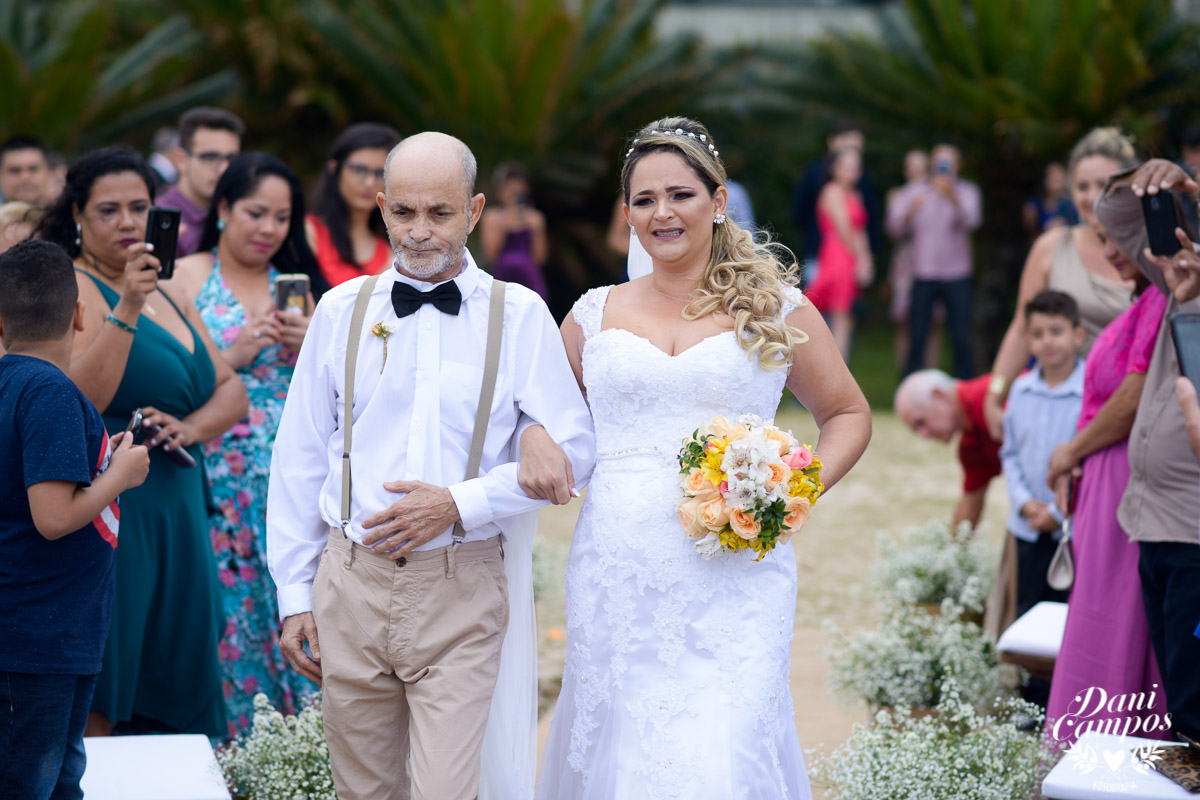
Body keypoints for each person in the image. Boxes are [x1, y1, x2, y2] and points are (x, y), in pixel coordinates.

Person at [528, 117, 872, 799]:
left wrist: (791, 491)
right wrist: (534, 436)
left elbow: (848, 416)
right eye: (645, 200)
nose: (663, 213)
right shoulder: (592, 316)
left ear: (718, 202)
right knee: (620, 753)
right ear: (627, 214)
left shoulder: (775, 308)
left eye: (680, 194)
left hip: (735, 574)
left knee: (724, 754)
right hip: (617, 574)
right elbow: (543, 419)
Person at [266, 131, 595, 800]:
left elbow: (575, 454)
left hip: (461, 587)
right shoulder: (339, 311)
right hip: (349, 583)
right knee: (363, 791)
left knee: (446, 789)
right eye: (404, 213)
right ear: (381, 208)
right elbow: (300, 456)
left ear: (473, 212)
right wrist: (295, 596)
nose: (419, 232)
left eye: (439, 214)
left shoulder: (520, 314)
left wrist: (461, 501)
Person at [34, 146, 248, 738]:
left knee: (179, 668)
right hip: (114, 508)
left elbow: (230, 387)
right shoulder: (67, 285)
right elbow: (72, 399)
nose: (128, 222)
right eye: (109, 210)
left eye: (139, 207)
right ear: (77, 215)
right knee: (112, 671)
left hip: (180, 501)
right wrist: (126, 303)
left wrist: (191, 427)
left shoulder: (171, 289)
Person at [171, 152, 327, 735]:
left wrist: (310, 341)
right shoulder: (184, 277)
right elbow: (170, 375)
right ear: (224, 210)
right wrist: (234, 351)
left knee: (289, 594)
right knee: (226, 606)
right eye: (255, 213)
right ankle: (232, 742)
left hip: (289, 469)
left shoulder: (299, 289)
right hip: (215, 466)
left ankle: (300, 742)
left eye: (282, 217)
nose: (268, 229)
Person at [0, 240, 150, 799]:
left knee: (60, 780)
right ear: (80, 315)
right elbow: (53, 516)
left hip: (47, 631)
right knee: (30, 782)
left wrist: (97, 463)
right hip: (39, 635)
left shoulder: (14, 385)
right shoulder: (51, 391)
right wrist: (122, 476)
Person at [1042, 224, 1169, 745]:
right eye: (1101, 235)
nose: (1109, 249)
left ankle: (1114, 750)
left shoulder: (1161, 299)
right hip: (1101, 477)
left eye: (1120, 235)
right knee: (1100, 615)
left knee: (1119, 621)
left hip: (1122, 478)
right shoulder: (1143, 301)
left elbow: (1136, 391)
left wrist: (1071, 450)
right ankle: (1087, 754)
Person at [1092, 158, 1200, 741]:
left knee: (1193, 700)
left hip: (1195, 534)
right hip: (1154, 521)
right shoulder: (1181, 272)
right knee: (1180, 685)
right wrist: (1159, 177)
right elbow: (1111, 211)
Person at [983, 128, 1139, 441]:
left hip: (1131, 409)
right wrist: (995, 393)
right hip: (1064, 409)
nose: (1091, 196)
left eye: (1103, 184)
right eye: (1082, 186)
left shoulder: (1143, 253)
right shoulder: (1051, 247)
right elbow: (1020, 328)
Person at [887, 143, 982, 379]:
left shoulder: (968, 192)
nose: (943, 168)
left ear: (958, 166)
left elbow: (973, 222)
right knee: (917, 334)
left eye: (948, 163)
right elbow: (894, 228)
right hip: (924, 272)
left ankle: (964, 387)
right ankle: (909, 386)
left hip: (957, 273)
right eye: (939, 163)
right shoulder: (915, 192)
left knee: (960, 335)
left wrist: (952, 197)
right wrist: (911, 209)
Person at [895, 369, 1000, 530]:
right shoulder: (970, 447)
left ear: (938, 395)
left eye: (920, 422)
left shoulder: (988, 397)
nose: (923, 435)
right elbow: (970, 507)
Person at [305, 122, 401, 287]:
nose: (370, 183)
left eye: (380, 173)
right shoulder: (308, 232)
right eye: (359, 170)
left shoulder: (390, 255)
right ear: (334, 169)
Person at [807, 147, 872, 360]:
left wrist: (866, 259)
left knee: (844, 318)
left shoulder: (855, 194)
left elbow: (860, 230)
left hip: (848, 256)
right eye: (847, 166)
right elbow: (845, 229)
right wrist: (861, 258)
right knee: (839, 318)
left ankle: (836, 374)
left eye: (855, 166)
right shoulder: (832, 191)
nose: (852, 171)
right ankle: (834, 375)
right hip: (838, 256)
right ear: (835, 169)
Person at [792, 121, 880, 273]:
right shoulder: (814, 173)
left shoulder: (862, 179)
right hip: (818, 252)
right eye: (848, 145)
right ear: (832, 142)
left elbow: (867, 220)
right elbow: (798, 213)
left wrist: (865, 256)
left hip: (849, 256)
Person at [157, 107, 245, 257]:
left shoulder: (239, 213)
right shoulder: (159, 219)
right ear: (182, 160)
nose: (223, 168)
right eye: (210, 158)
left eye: (231, 159)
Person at [887, 149, 940, 371]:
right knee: (904, 322)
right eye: (912, 166)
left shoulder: (939, 195)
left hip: (934, 264)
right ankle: (905, 376)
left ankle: (930, 376)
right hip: (906, 266)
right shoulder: (899, 196)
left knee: (933, 323)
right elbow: (893, 231)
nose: (917, 171)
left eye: (921, 166)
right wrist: (910, 209)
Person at [479, 162, 549, 301]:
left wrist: (535, 229)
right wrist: (506, 225)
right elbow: (490, 255)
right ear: (500, 191)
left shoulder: (535, 218)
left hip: (529, 276)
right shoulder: (491, 217)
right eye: (510, 188)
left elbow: (541, 258)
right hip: (502, 276)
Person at [1022, 161, 1078, 240]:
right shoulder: (1033, 206)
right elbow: (1030, 234)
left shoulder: (1072, 203)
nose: (1058, 183)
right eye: (1054, 178)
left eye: (1061, 178)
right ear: (1045, 180)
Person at [0, 135, 51, 206]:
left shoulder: (68, 216)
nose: (25, 177)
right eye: (15, 170)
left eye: (33, 169)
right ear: (1, 176)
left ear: (49, 173)